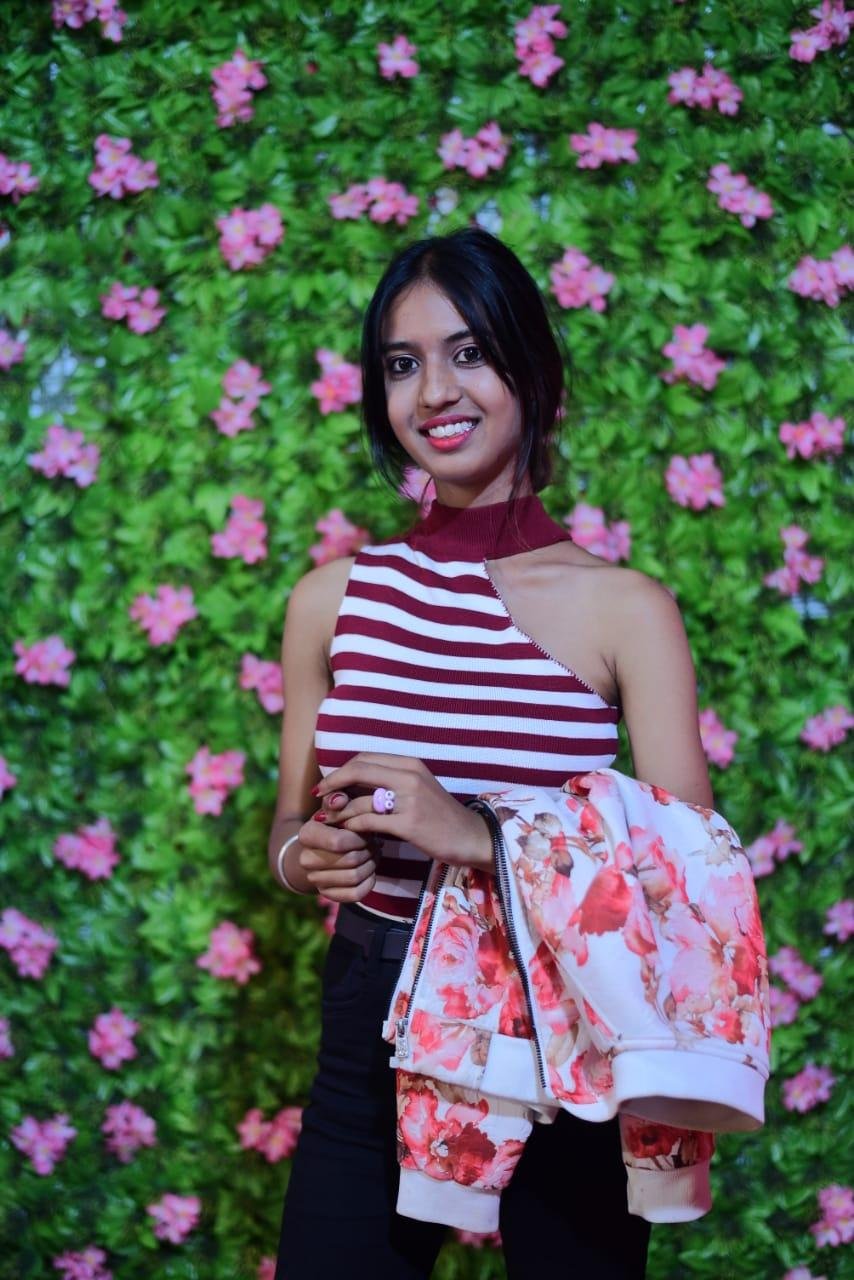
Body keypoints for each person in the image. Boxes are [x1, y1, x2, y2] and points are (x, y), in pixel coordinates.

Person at [269, 227, 714, 1279]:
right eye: (402, 363)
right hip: (373, 1004)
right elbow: (288, 823)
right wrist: (301, 856)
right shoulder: (330, 601)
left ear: (532, 369)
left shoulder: (625, 608)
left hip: (565, 1016)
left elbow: (687, 876)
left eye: (467, 352)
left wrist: (475, 836)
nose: (433, 391)